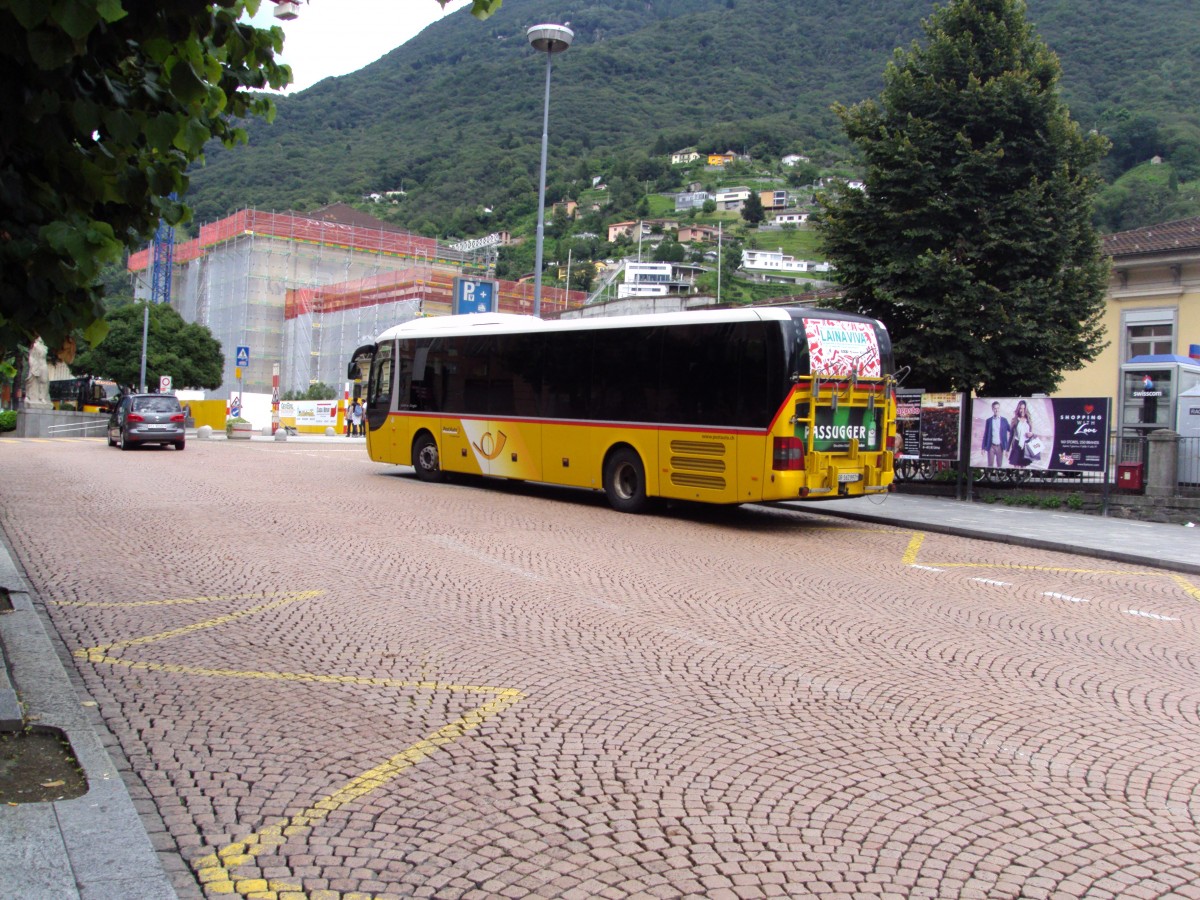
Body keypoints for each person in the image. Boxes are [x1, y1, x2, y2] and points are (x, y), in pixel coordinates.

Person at [981, 400, 1010, 468]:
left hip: (1000, 446)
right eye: (995, 408)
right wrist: (983, 448)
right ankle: (988, 477)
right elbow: (985, 434)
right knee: (990, 465)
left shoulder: (1004, 420)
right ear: (992, 409)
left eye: (998, 408)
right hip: (991, 446)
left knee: (999, 465)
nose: (996, 410)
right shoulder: (989, 421)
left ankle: (998, 477)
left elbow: (1011, 430)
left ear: (1000, 409)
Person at [1007, 400, 1036, 467]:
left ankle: (1023, 477)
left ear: (1026, 409)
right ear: (1018, 409)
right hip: (1017, 445)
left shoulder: (1029, 420)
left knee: (1024, 466)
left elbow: (1032, 433)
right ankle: (1016, 477)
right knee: (1016, 466)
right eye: (1020, 408)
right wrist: (1007, 449)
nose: (1022, 410)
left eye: (1024, 408)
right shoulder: (1014, 420)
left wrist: (1031, 434)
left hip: (1026, 445)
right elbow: (1011, 436)